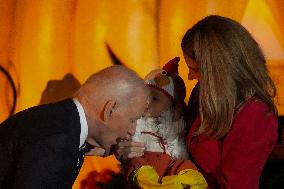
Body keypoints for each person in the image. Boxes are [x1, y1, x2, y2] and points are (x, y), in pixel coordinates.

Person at [0, 65, 150, 189]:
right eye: (133, 120)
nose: (132, 131)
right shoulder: (56, 139)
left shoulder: (62, 123)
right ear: (109, 109)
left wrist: (105, 149)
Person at [182, 15, 278, 188]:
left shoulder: (254, 115)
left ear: (219, 70)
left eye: (195, 69)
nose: (190, 77)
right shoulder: (204, 97)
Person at [116, 58, 207, 189]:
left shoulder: (178, 123)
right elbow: (123, 142)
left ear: (173, 106)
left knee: (186, 167)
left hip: (172, 165)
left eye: (154, 98)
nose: (147, 103)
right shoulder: (137, 122)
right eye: (144, 96)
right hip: (146, 161)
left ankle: (185, 183)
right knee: (139, 168)